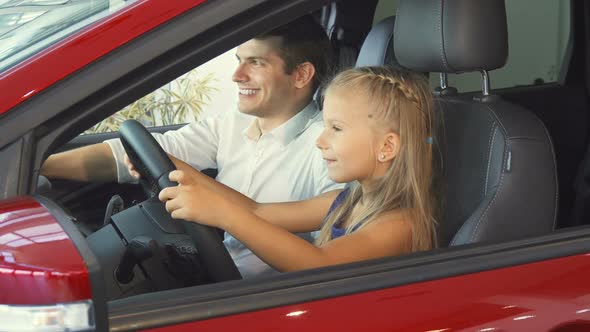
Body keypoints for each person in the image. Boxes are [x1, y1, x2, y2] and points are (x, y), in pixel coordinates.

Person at [41, 15, 344, 278]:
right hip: (216, 270)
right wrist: (38, 165)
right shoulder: (232, 123)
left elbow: (325, 254)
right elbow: (140, 152)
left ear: (302, 74)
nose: (237, 76)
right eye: (239, 60)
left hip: (265, 297)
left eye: (256, 62)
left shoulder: (329, 149)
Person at [154, 66, 437, 272]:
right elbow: (258, 212)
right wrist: (179, 169)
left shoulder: (401, 225)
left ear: (386, 147)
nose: (320, 140)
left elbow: (318, 263)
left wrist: (224, 215)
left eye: (336, 129)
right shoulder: (346, 201)